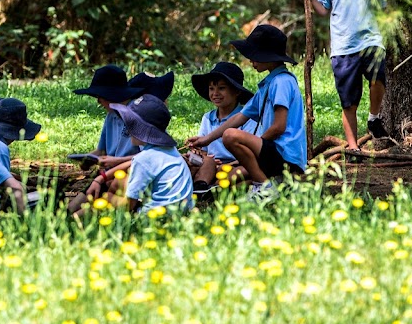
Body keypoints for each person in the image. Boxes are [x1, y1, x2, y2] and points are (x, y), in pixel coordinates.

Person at [187, 25, 307, 204]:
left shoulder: (282, 82)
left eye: (254, 55)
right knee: (230, 134)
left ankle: (264, 185)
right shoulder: (269, 84)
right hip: (275, 152)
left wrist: (257, 146)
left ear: (268, 56)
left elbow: (279, 126)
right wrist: (206, 140)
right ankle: (267, 183)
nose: (251, 61)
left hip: (285, 154)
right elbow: (240, 117)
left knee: (230, 136)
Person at [300, 0, 389, 149]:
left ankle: (373, 117)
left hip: (371, 39)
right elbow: (323, 10)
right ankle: (353, 146)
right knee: (349, 101)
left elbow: (383, 6)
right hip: (343, 46)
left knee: (378, 79)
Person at [67, 65, 142, 215]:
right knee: (71, 208)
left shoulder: (139, 116)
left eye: (99, 97)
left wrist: (115, 162)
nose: (98, 102)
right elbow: (101, 150)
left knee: (80, 215)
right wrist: (89, 158)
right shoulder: (111, 116)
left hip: (128, 174)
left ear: (109, 95)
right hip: (106, 173)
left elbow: (150, 156)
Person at [109, 94, 193, 214]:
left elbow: (128, 205)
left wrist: (109, 198)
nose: (127, 129)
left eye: (131, 124)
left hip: (154, 218)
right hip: (181, 214)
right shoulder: (171, 150)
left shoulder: (143, 159)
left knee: (108, 197)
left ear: (141, 129)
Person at [188, 61, 258, 189]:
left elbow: (252, 152)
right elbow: (204, 152)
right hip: (212, 165)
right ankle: (201, 187)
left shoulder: (247, 119)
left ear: (236, 91)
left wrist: (228, 165)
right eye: (211, 88)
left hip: (237, 164)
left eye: (221, 88)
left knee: (246, 173)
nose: (215, 93)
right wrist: (197, 153)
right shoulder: (208, 118)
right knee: (198, 163)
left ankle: (215, 187)